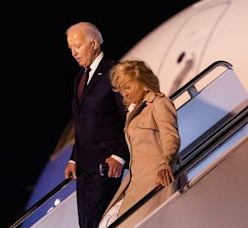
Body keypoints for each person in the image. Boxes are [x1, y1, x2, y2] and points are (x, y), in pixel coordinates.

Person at [99, 59, 181, 228]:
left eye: (127, 87)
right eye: (121, 90)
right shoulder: (132, 113)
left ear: (142, 81)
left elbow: (171, 137)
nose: (125, 94)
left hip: (156, 178)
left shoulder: (159, 103)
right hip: (135, 180)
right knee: (106, 223)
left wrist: (166, 163)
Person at [63, 22, 130, 228]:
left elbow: (128, 117)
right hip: (83, 170)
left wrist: (119, 155)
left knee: (98, 223)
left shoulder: (114, 71)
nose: (74, 53)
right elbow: (83, 124)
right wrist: (74, 159)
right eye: (70, 48)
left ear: (93, 43)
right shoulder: (79, 77)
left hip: (106, 167)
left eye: (77, 46)